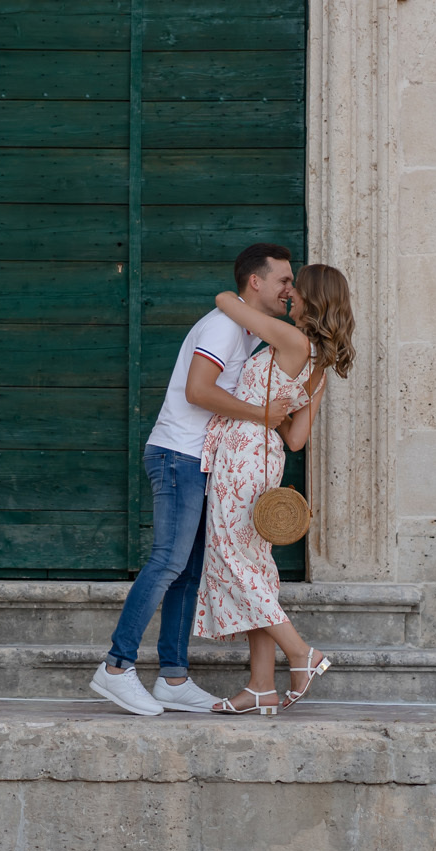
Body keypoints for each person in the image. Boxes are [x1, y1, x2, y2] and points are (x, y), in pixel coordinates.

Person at [89, 243, 298, 716]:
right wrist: (262, 415)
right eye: (283, 280)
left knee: (187, 571)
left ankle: (173, 677)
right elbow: (198, 390)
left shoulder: (246, 332)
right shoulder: (225, 327)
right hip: (177, 454)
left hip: (199, 459)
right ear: (256, 282)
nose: (290, 289)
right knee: (167, 562)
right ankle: (117, 668)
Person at [196, 263, 356, 715]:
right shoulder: (319, 366)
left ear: (311, 298)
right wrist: (276, 410)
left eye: (295, 290)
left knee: (232, 557)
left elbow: (227, 302)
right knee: (255, 567)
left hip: (243, 454)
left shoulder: (290, 339)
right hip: (266, 457)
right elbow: (296, 438)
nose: (289, 295)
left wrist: (262, 408)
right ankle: (262, 685)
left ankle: (300, 652)